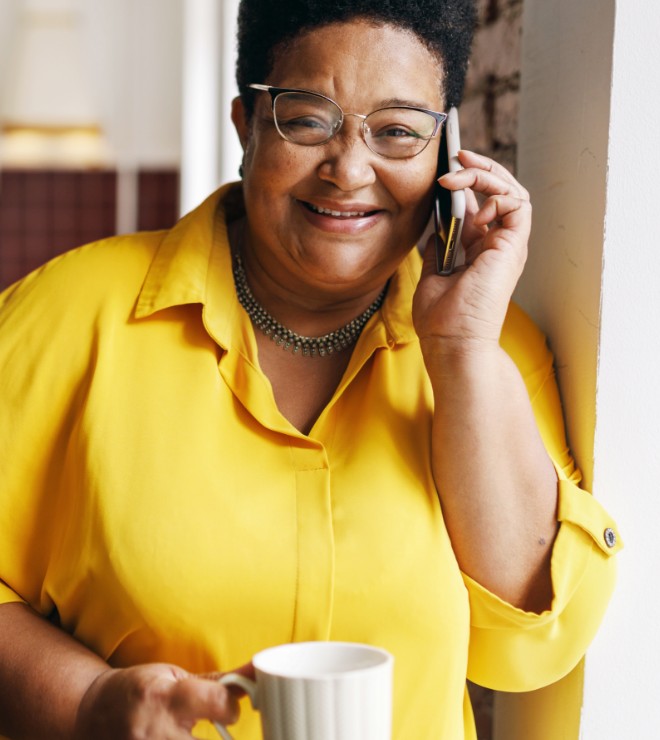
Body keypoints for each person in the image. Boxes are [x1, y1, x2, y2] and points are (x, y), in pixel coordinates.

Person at [0, 0, 621, 738]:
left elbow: (530, 647)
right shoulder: (63, 316)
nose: (349, 170)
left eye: (397, 131)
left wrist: (460, 355)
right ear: (246, 127)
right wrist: (84, 703)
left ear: (448, 152)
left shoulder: (490, 351)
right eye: (307, 118)